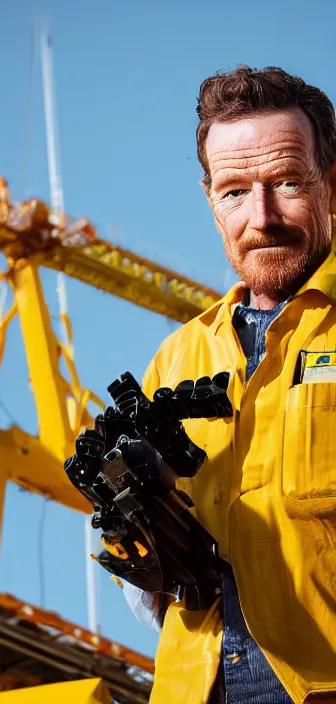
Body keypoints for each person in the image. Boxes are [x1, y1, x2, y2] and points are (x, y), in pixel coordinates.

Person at [134, 66, 336, 704]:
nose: (262, 216)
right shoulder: (176, 358)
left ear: (332, 184)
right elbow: (148, 601)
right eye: (235, 192)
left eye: (286, 183)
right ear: (210, 202)